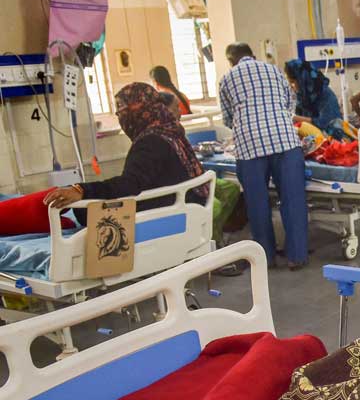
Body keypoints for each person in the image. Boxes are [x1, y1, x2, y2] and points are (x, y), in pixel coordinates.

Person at [39, 83, 208, 224]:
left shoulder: (150, 142)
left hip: (165, 213)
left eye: (121, 112)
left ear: (137, 112)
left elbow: (129, 185)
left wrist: (82, 190)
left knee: (84, 210)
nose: (120, 118)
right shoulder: (171, 131)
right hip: (187, 207)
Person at [219, 42, 308, 270]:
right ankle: (296, 256)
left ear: (231, 61)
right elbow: (289, 103)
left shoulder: (227, 79)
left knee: (257, 204)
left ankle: (265, 258)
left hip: (250, 147)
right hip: (285, 141)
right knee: (293, 200)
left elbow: (228, 118)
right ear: (253, 54)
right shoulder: (274, 70)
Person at [284, 59, 346, 140]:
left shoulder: (325, 94)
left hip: (333, 139)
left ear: (303, 79)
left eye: (293, 82)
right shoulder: (303, 96)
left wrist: (295, 118)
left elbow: (327, 123)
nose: (291, 86)